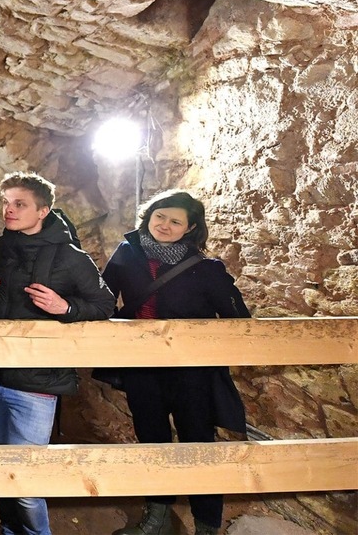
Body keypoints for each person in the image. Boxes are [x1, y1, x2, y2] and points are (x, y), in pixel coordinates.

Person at [0, 171, 115, 535]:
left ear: (43, 210)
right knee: (4, 469)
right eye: (5, 202)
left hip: (35, 384)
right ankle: (9, 530)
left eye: (19, 204)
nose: (9, 210)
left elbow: (105, 303)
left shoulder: (70, 257)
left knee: (28, 480)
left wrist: (65, 307)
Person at [103, 190, 250, 535]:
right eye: (159, 216)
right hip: (143, 367)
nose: (164, 225)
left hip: (192, 372)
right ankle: (157, 517)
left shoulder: (208, 269)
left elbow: (237, 319)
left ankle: (206, 525)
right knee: (152, 441)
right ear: (148, 216)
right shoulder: (127, 254)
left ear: (190, 228)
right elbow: (102, 298)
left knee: (198, 444)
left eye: (175, 221)